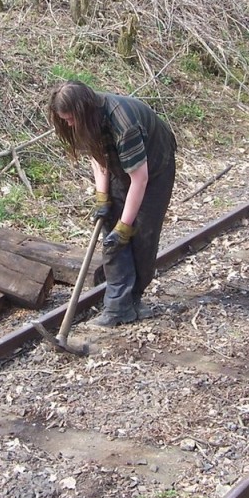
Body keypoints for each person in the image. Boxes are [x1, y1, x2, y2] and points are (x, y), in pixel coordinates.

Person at [48, 81, 177, 327]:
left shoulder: (123, 124)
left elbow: (140, 179)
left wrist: (125, 227)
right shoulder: (87, 119)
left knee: (139, 236)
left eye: (70, 119)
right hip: (123, 167)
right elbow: (100, 157)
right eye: (64, 120)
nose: (69, 124)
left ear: (83, 111)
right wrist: (102, 198)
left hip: (155, 169)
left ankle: (132, 300)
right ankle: (118, 308)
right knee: (111, 239)